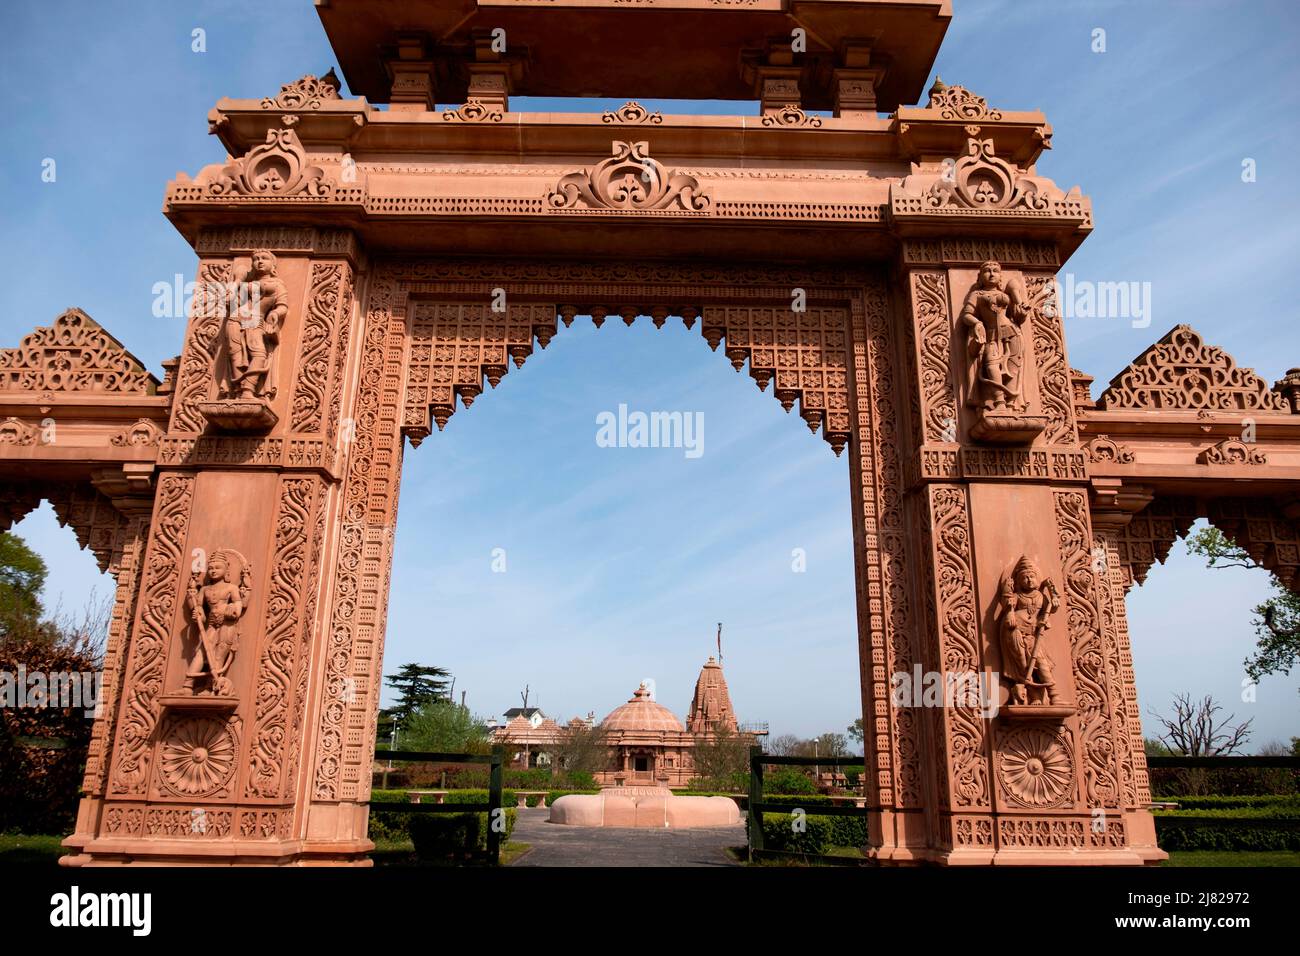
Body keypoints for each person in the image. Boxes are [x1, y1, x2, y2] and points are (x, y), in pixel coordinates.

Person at [960, 260, 1028, 412]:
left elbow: (1018, 317)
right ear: (980, 276)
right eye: (987, 271)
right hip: (990, 336)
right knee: (991, 365)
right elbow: (967, 315)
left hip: (1012, 334)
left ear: (1000, 276)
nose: (991, 274)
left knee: (1013, 368)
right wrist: (977, 323)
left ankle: (1011, 404)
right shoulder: (977, 295)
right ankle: (999, 401)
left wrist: (1021, 308)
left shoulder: (1006, 294)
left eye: (995, 271)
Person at [223, 249, 289, 401]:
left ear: (273, 265)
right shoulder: (245, 283)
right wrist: (235, 285)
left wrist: (275, 314)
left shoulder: (277, 285)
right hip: (235, 319)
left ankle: (248, 389)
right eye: (256, 259)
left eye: (264, 258)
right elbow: (232, 303)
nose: (259, 261)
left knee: (259, 354)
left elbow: (282, 306)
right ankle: (239, 392)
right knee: (235, 355)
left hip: (255, 320)